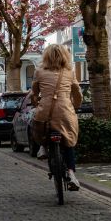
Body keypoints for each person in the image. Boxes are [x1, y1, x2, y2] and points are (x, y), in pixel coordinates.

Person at [31, 44, 83, 191]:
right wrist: (76, 106)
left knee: (38, 125)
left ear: (46, 57)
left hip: (45, 112)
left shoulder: (39, 72)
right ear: (65, 57)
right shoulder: (70, 72)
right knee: (69, 142)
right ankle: (72, 174)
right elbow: (77, 93)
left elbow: (34, 92)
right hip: (65, 111)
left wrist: (36, 103)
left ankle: (43, 146)